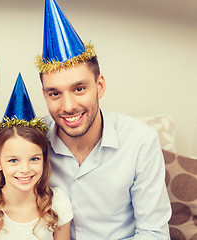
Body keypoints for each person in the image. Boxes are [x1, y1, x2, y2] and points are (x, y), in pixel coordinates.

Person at [35, 0, 172, 239]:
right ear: (45, 95)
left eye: (79, 89)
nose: (68, 106)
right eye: (55, 93)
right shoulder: (32, 141)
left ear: (100, 86)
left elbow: (154, 233)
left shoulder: (140, 141)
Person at [0, 73, 73, 240]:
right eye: (13, 160)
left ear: (44, 159)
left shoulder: (57, 203)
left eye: (34, 159)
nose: (25, 169)